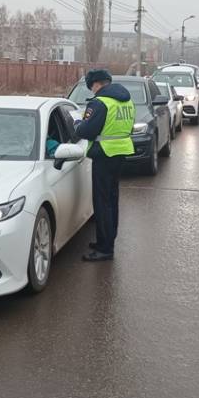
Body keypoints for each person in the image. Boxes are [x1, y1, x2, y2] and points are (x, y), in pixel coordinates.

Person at [72, 68, 135, 261]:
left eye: (92, 86)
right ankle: (106, 240)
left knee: (102, 202)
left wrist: (76, 126)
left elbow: (87, 131)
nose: (92, 90)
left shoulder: (100, 103)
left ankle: (105, 248)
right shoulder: (126, 99)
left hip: (104, 154)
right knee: (112, 200)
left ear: (97, 84)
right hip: (121, 151)